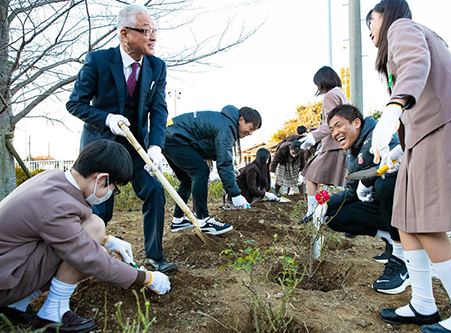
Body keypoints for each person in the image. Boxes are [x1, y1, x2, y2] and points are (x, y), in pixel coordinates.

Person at [366, 1, 451, 332]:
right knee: (406, 219)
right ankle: (423, 304)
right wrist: (400, 148)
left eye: (371, 21)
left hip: (442, 123)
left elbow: (415, 64)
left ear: (389, 15)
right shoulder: (404, 37)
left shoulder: (401, 28)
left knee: (424, 221)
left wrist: (394, 106)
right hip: (424, 132)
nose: (369, 30)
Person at [0, 140, 171, 333]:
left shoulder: (53, 178)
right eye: (114, 188)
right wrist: (146, 278)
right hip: (7, 281)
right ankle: (53, 312)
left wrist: (107, 240)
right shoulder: (57, 206)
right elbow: (91, 259)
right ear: (101, 179)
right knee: (91, 238)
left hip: (10, 265)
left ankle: (19, 303)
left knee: (94, 227)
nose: (111, 193)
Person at [65, 4, 176, 273]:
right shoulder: (98, 61)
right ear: (125, 34)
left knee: (154, 191)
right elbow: (75, 104)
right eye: (146, 30)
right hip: (102, 146)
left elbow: (159, 109)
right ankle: (89, 260)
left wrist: (156, 146)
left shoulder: (157, 67)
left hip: (137, 147)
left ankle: (154, 257)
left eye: (154, 31)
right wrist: (107, 119)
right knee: (101, 209)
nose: (153, 37)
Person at [317, 104, 406, 294]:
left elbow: (395, 163)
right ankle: (391, 238)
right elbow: (351, 192)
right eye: (332, 129)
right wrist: (324, 206)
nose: (335, 133)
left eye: (339, 125)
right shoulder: (351, 153)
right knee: (334, 215)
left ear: (356, 123)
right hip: (380, 209)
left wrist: (368, 179)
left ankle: (402, 259)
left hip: (403, 207)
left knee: (385, 184)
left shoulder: (379, 134)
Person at [163, 105, 262, 235]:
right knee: (201, 171)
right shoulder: (227, 126)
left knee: (187, 180)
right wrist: (235, 193)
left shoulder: (224, 122)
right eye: (251, 128)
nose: (250, 133)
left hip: (168, 136)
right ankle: (204, 220)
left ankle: (178, 220)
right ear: (241, 120)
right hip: (175, 137)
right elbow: (224, 162)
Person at [298, 67, 350, 224]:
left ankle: (312, 213)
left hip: (332, 146)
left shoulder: (330, 96)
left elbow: (330, 123)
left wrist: (313, 136)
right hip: (342, 144)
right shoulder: (341, 94)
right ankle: (323, 212)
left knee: (310, 175)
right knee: (329, 182)